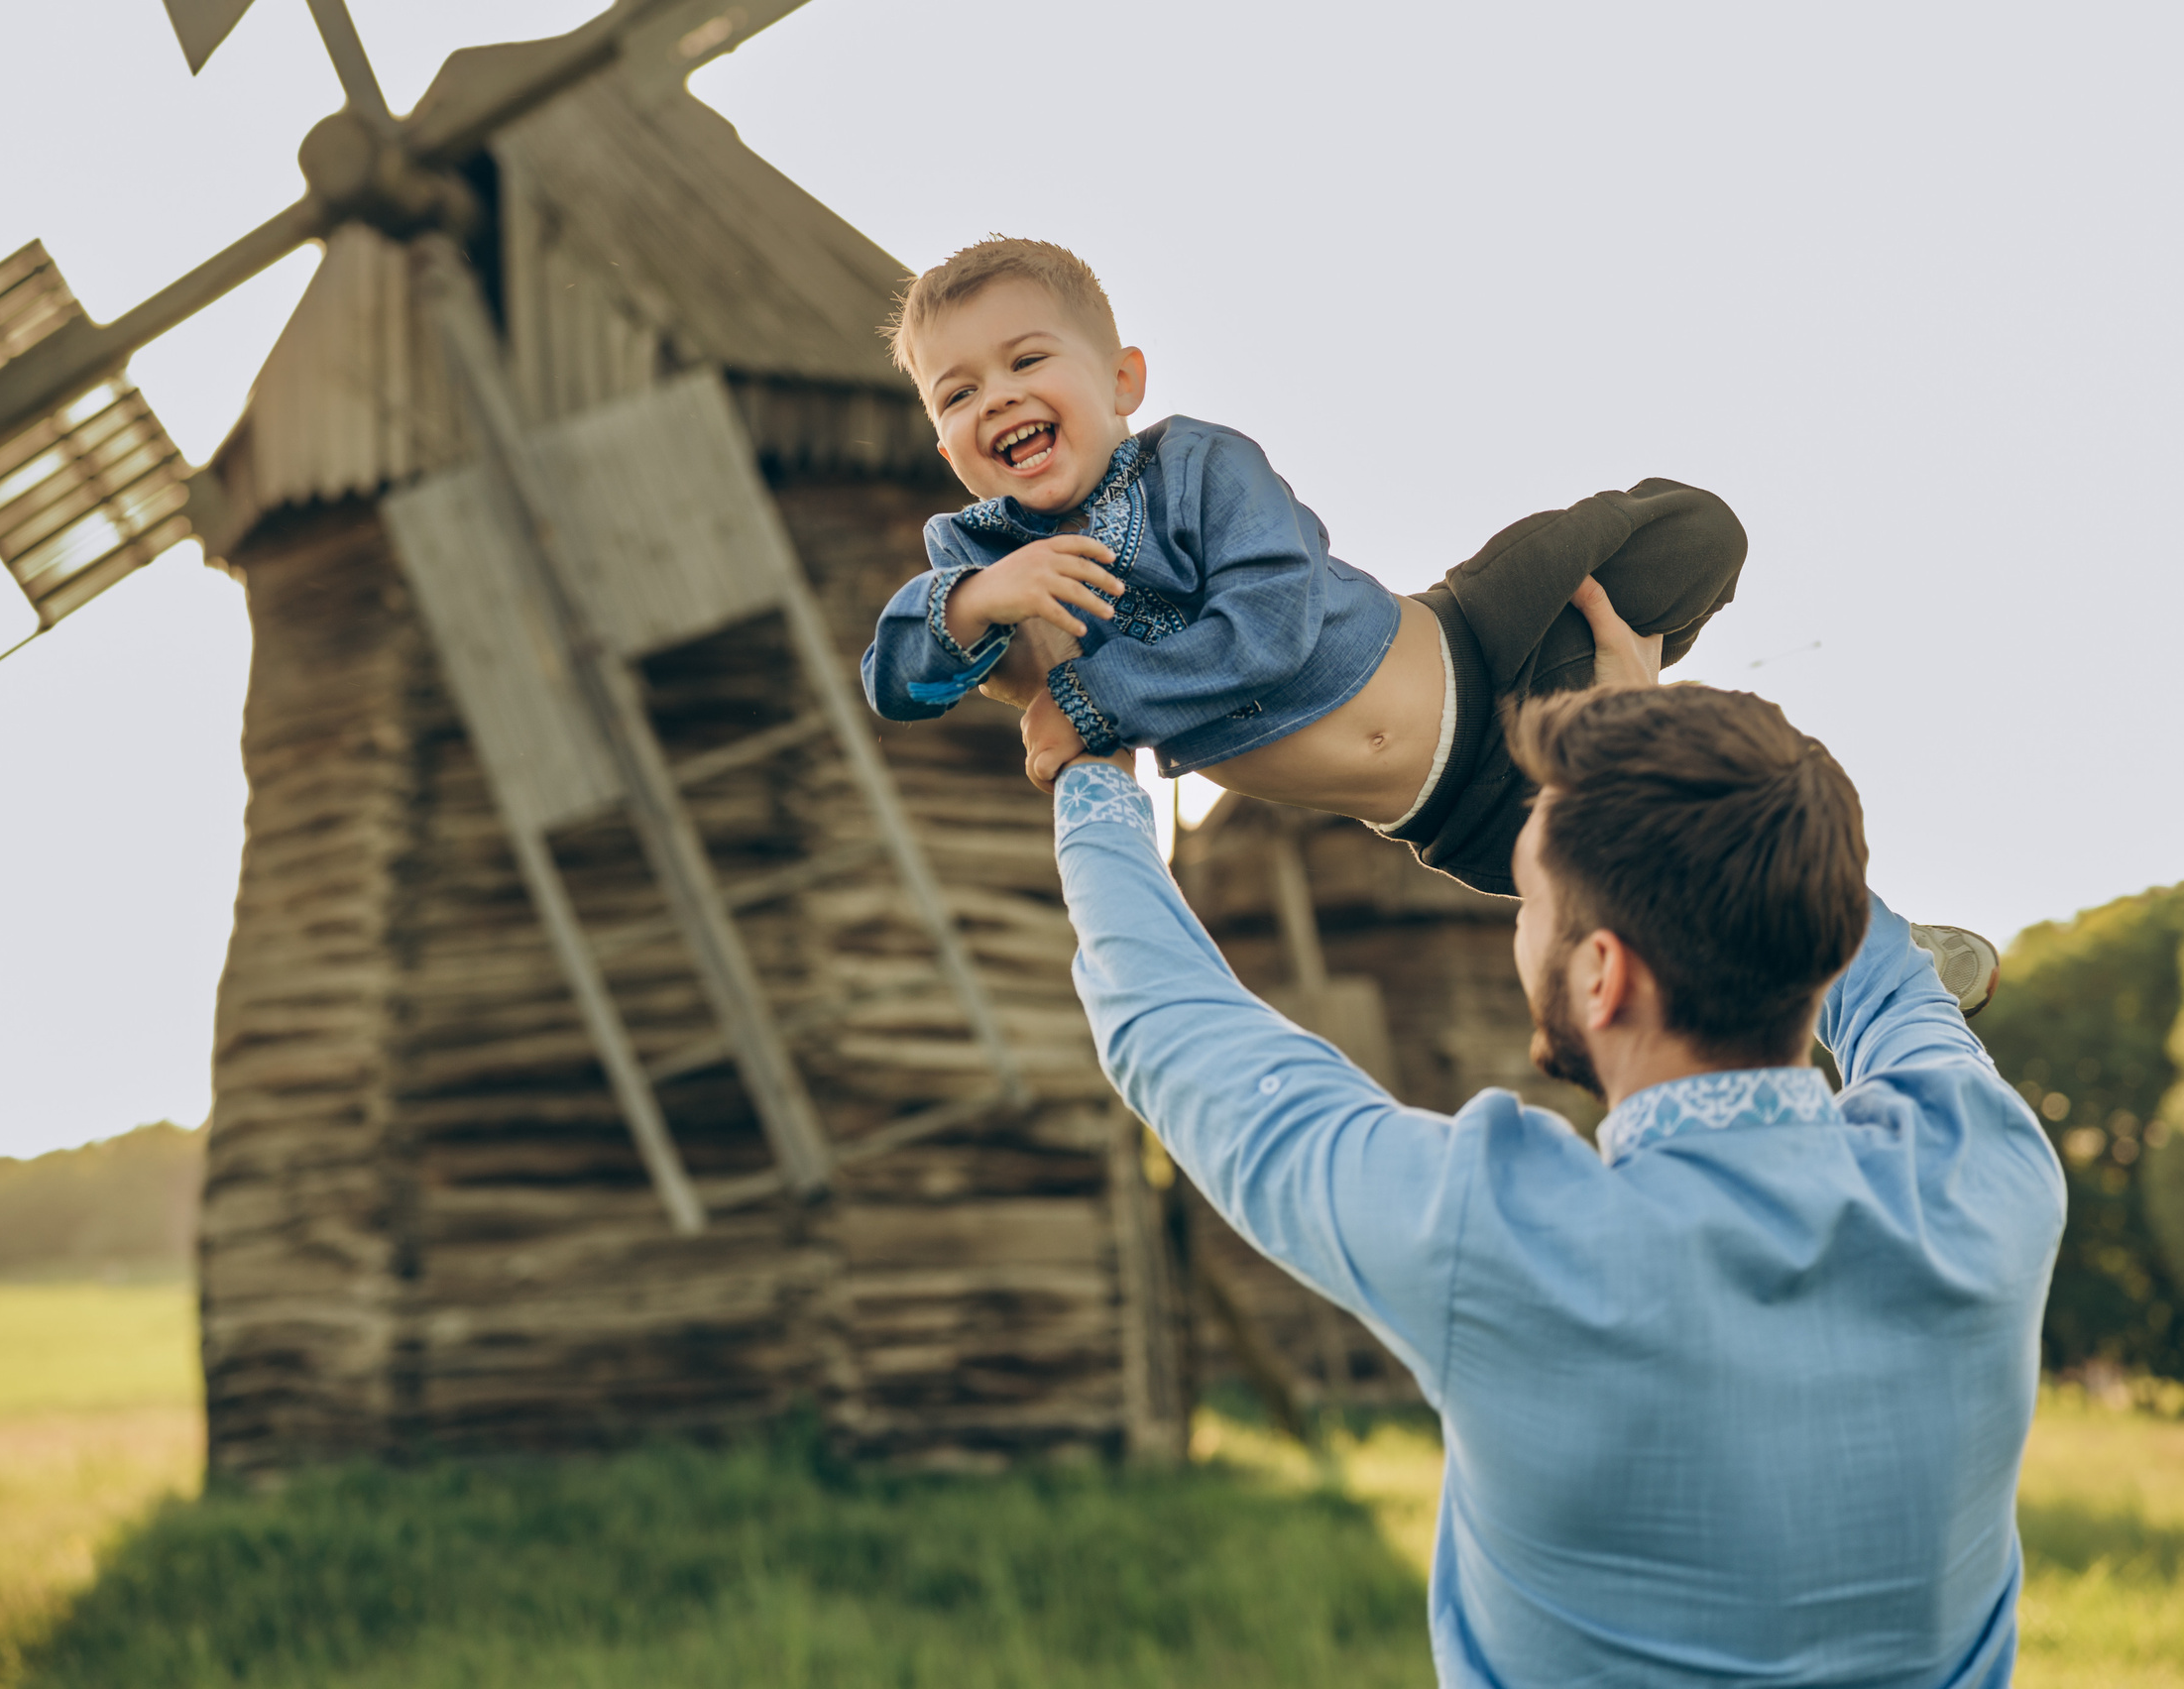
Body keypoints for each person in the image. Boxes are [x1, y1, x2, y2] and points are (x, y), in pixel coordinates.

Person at [1045, 623, 2061, 1684]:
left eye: (1532, 899)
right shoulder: (1984, 1171)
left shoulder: (1497, 1241)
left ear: (1601, 977)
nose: (1521, 927)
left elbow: (1174, 1027)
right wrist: (1671, 769)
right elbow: (1888, 975)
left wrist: (1092, 777)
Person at [859, 236, 1750, 894]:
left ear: (1122, 381)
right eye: (960, 392)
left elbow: (1271, 626)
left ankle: (1611, 676)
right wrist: (975, 603)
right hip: (1453, 816)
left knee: (1693, 533)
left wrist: (1095, 700)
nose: (1000, 396)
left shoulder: (1201, 466)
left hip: (1479, 645)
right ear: (946, 447)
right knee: (1666, 886)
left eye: (1026, 359)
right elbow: (895, 686)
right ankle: (1628, 733)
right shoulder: (977, 555)